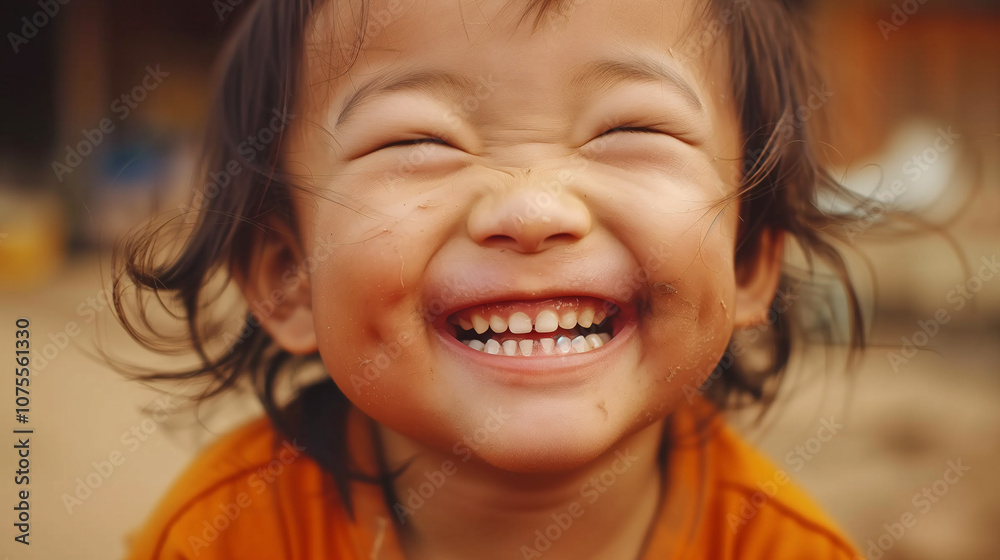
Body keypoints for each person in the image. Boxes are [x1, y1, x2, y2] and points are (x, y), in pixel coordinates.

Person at [117, 0, 867, 557]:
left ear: (745, 261)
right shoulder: (228, 536)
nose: (532, 207)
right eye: (420, 139)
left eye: (628, 130)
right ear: (288, 279)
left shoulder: (780, 545)